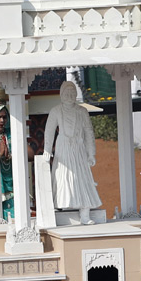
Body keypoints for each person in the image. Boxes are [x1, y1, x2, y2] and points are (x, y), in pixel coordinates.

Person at [44, 80, 102, 223]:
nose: (69, 96)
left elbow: (89, 132)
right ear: (61, 94)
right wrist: (47, 149)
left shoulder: (82, 111)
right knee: (62, 176)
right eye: (67, 93)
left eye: (72, 93)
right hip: (63, 147)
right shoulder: (56, 110)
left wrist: (91, 153)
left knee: (82, 178)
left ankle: (85, 213)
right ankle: (62, 207)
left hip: (78, 147)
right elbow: (49, 131)